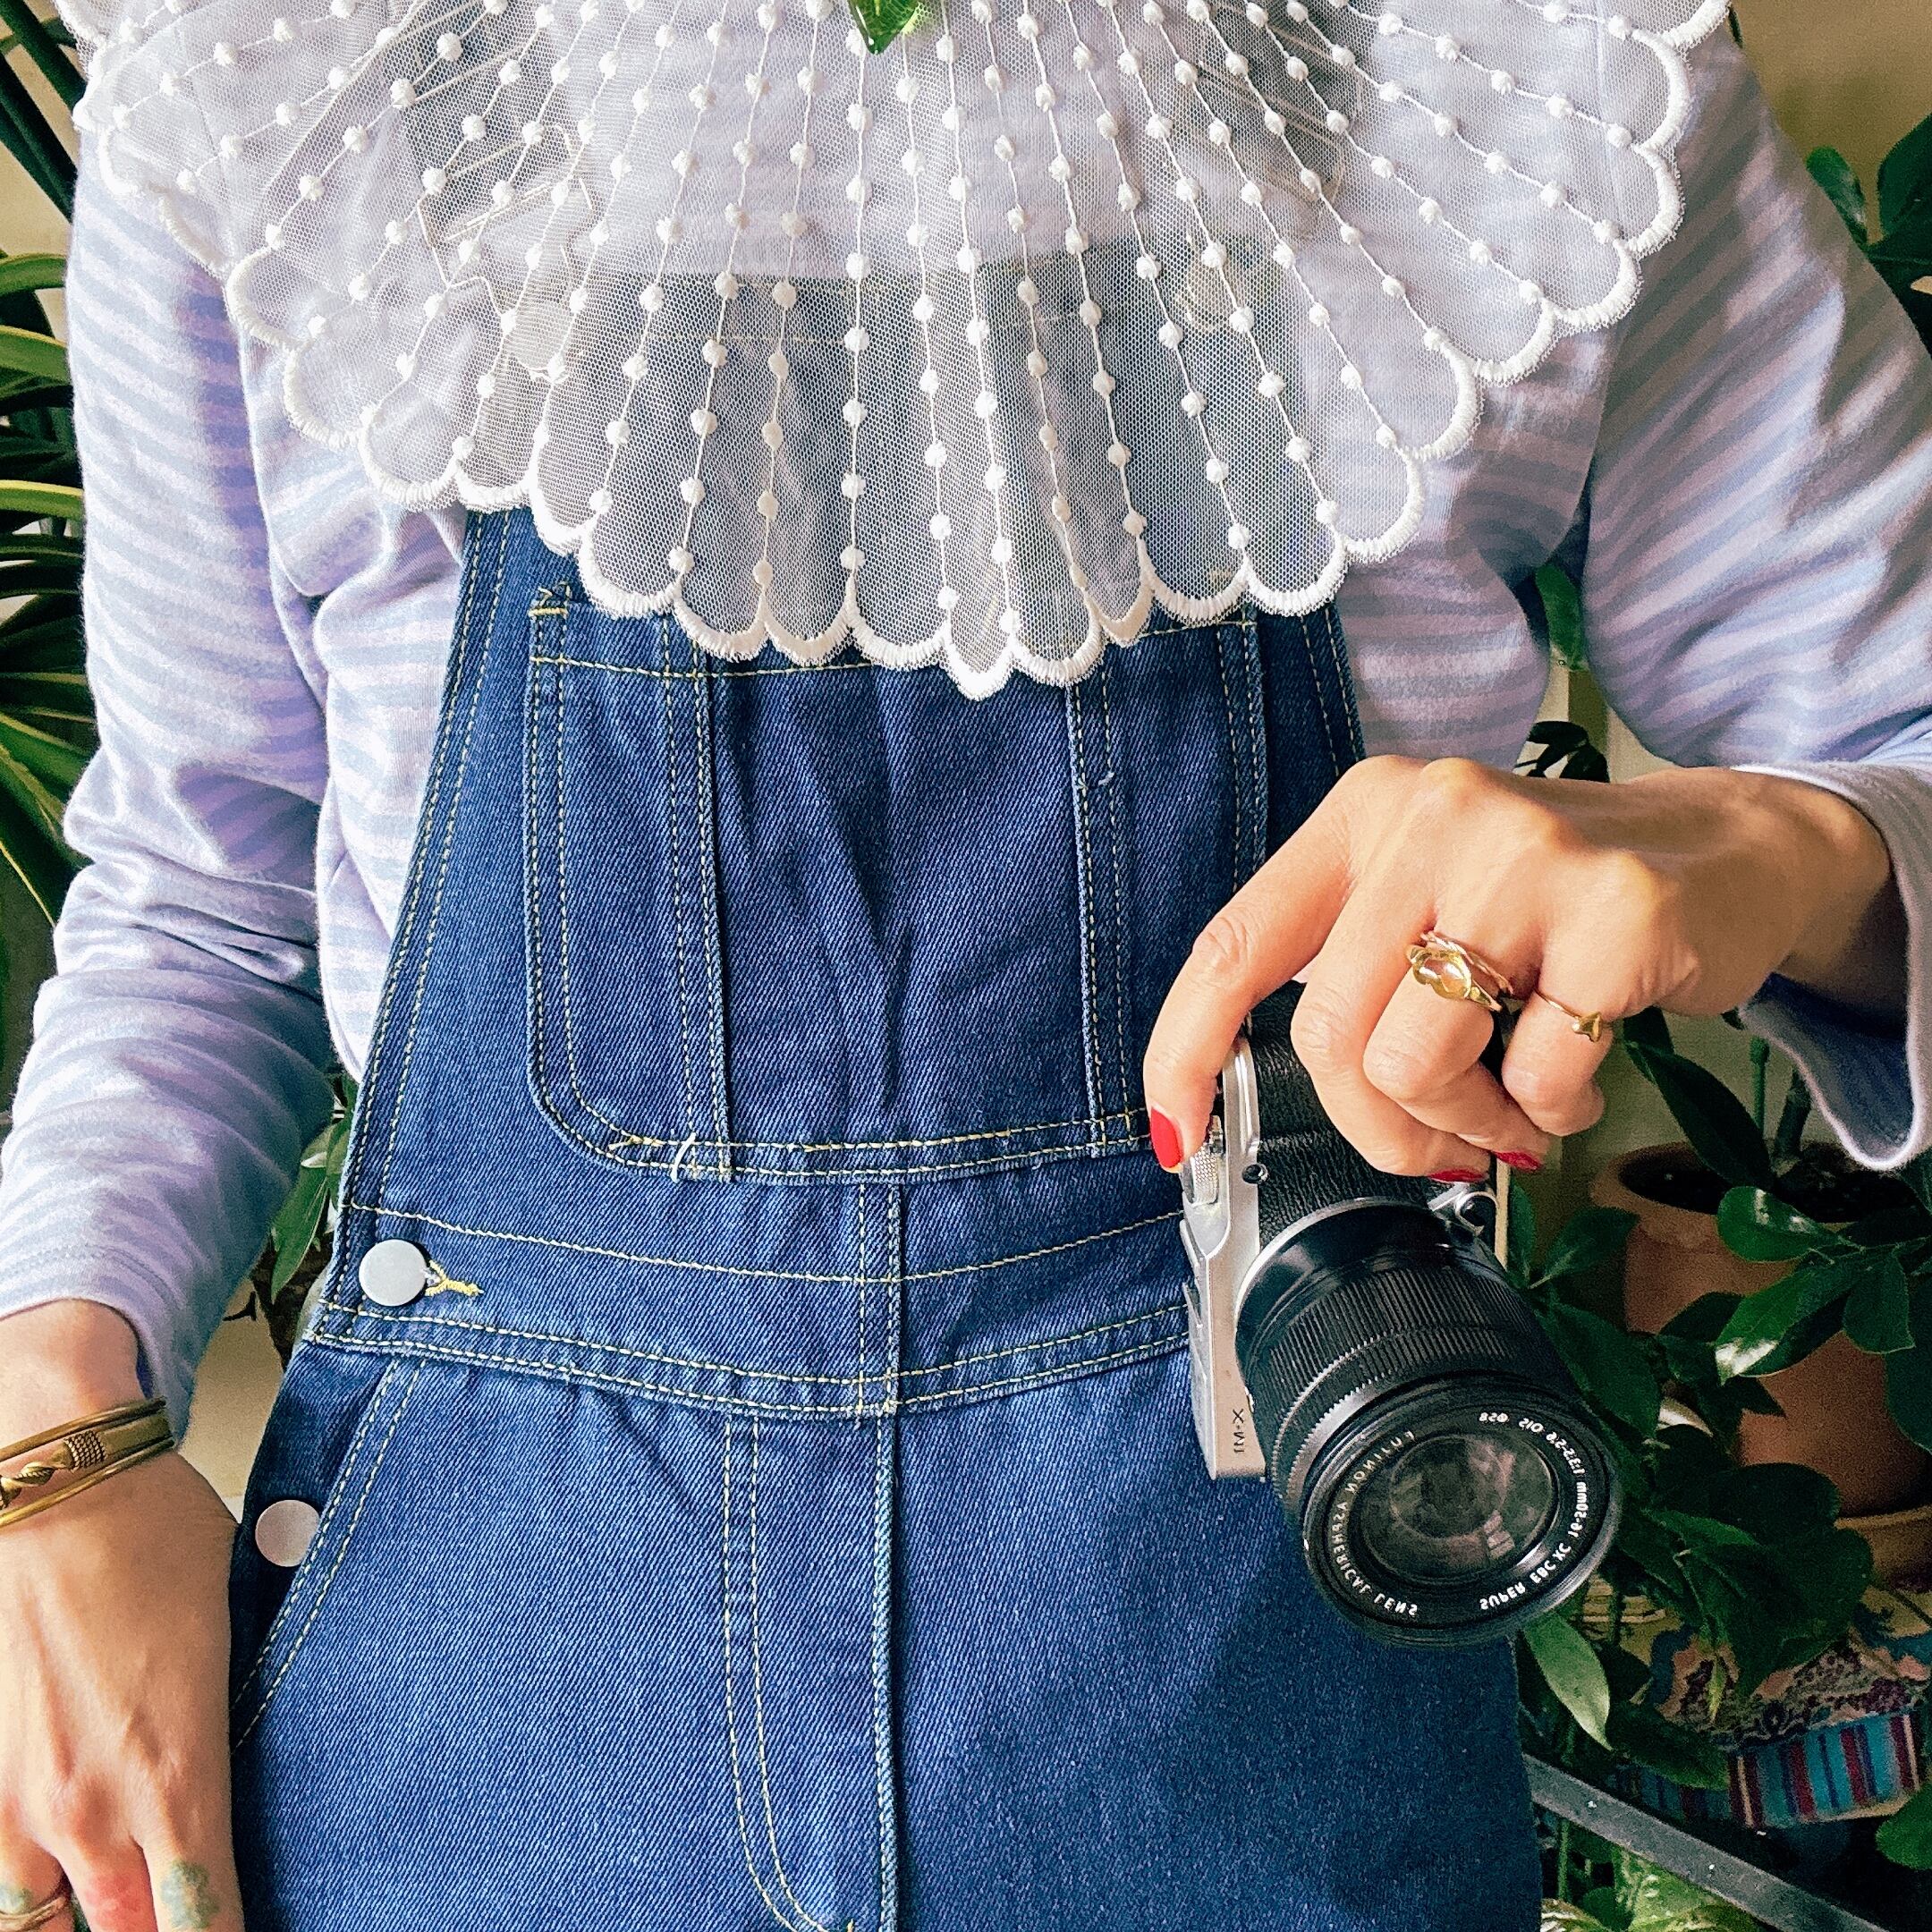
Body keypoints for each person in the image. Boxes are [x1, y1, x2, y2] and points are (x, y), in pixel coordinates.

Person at [1, 0, 1928, 1925]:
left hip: (1241, 1674)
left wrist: (1783, 844)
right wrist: (51, 1439)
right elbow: (200, 895)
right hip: (480, 1700)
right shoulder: (282, 73)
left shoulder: (1520, 67)